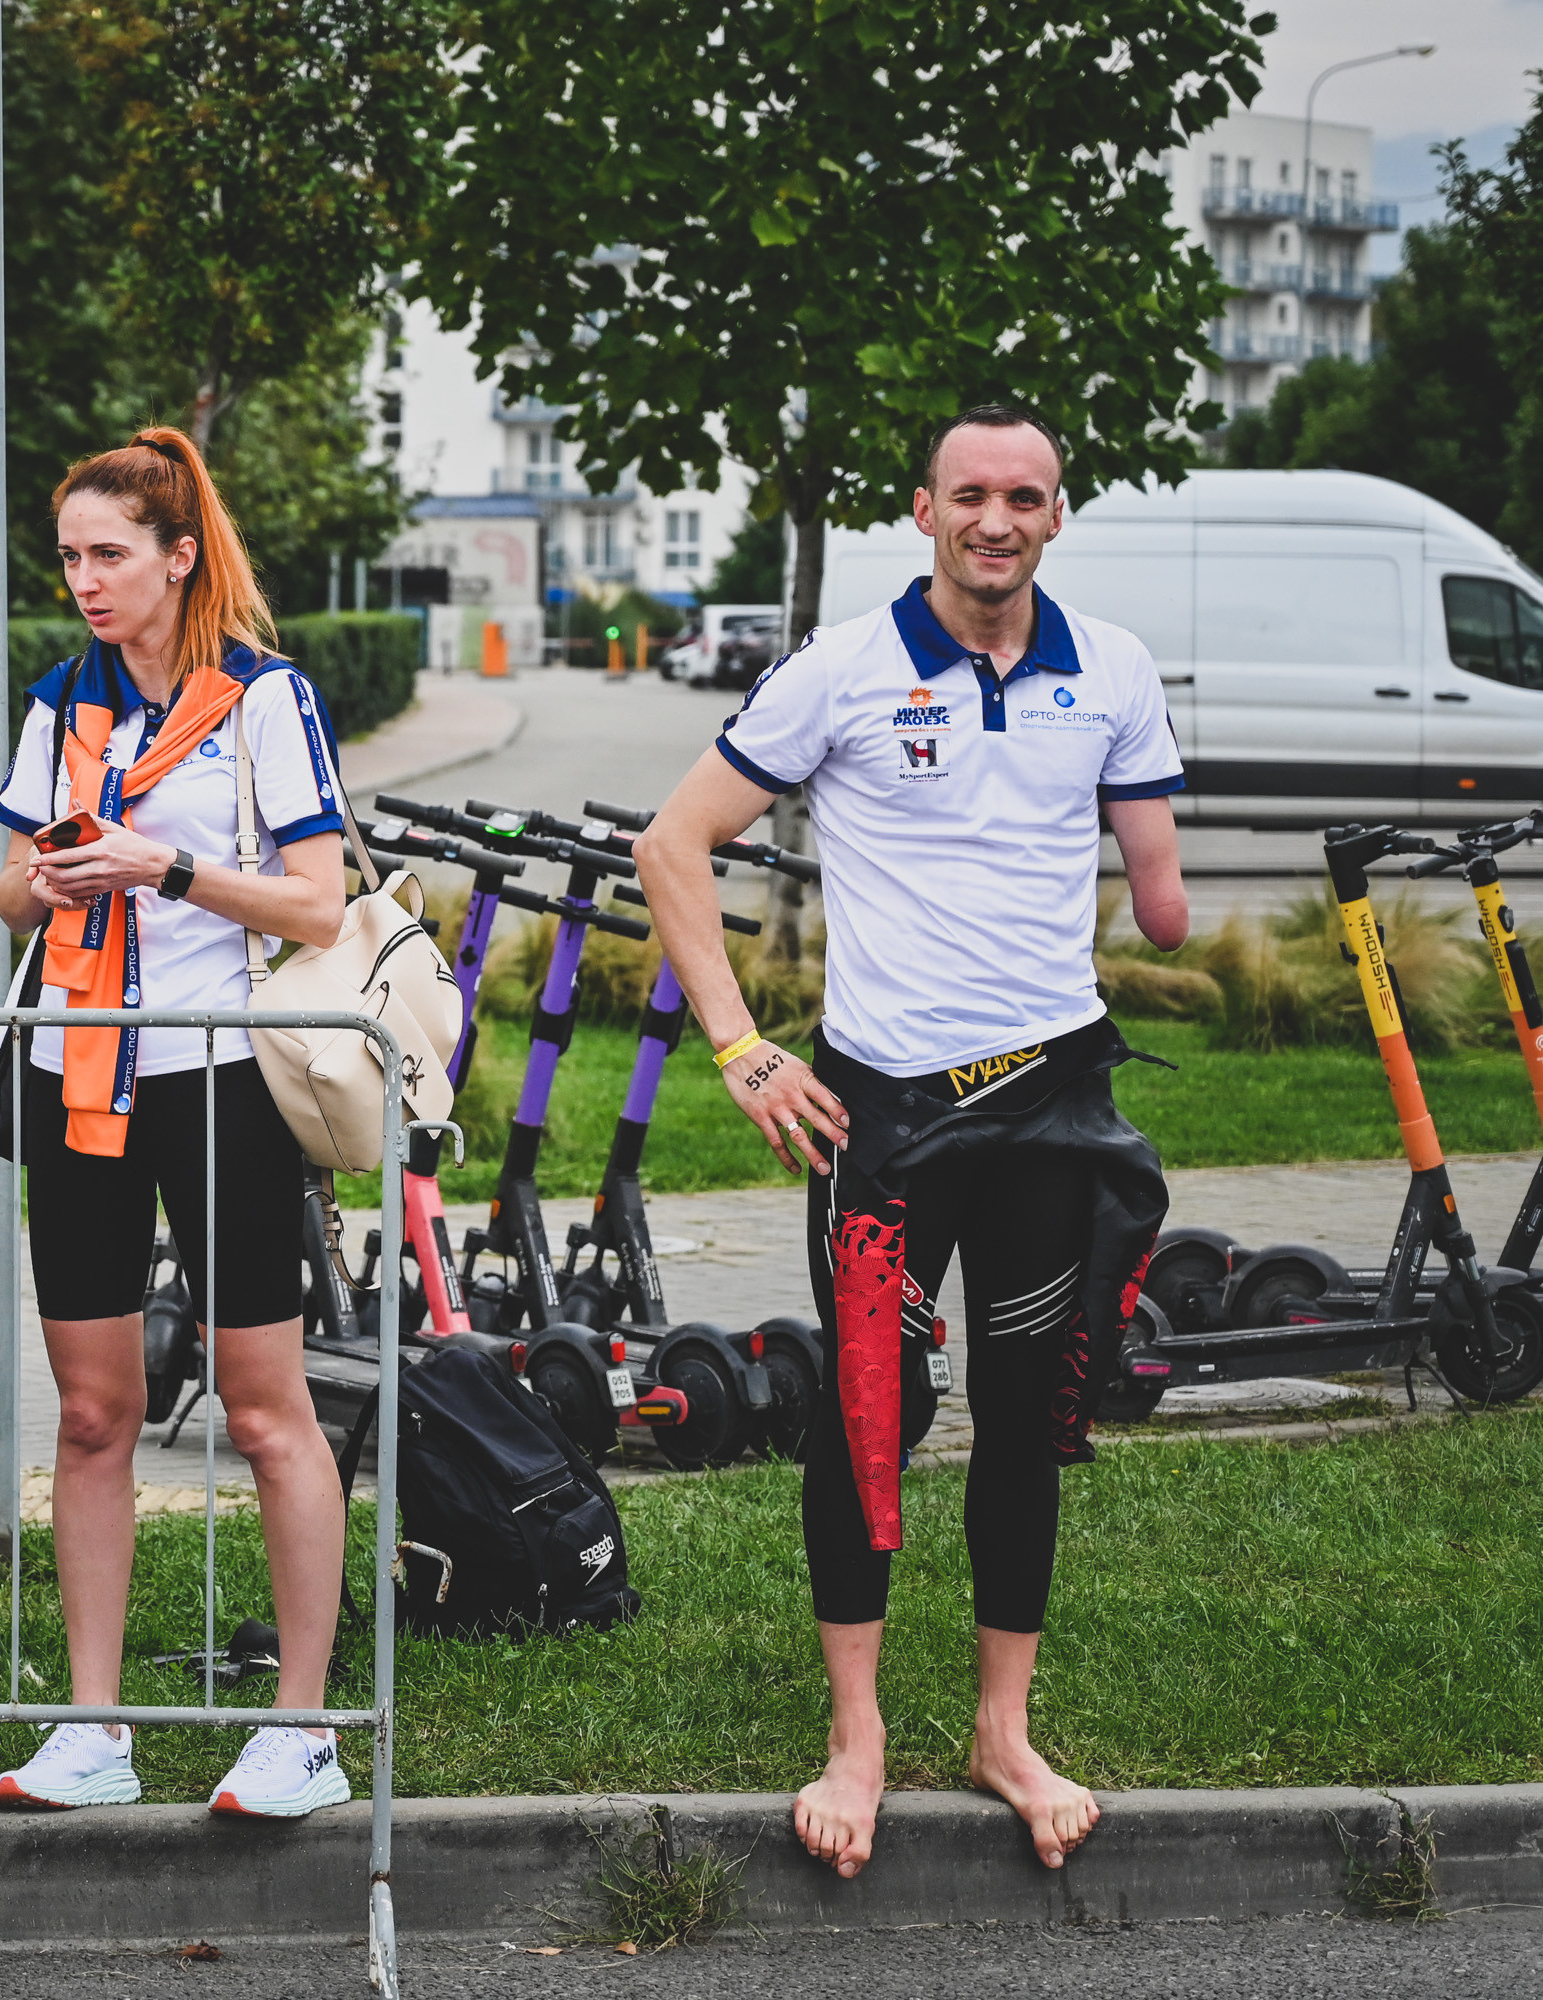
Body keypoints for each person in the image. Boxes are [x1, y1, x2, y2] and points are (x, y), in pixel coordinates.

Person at [634, 405, 1190, 1883]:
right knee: (870, 1415)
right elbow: (668, 843)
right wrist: (744, 1046)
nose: (996, 520)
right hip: (882, 1110)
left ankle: (1005, 1732)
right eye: (970, 497)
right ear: (924, 511)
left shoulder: (1115, 670)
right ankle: (858, 1736)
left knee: (1030, 1414)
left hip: (1053, 1101)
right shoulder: (845, 669)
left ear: (1057, 514)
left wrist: (1165, 893)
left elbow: (1156, 873)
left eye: (1025, 497)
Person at [0, 428, 353, 1819]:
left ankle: (303, 1731)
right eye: (70, 555)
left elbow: (317, 899)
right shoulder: (62, 701)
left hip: (222, 1083)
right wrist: (58, 885)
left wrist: (174, 868)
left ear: (178, 556)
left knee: (264, 1413)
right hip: (79, 1068)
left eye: (109, 554)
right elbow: (11, 888)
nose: (84, 579)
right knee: (91, 1412)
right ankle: (97, 1731)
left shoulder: (264, 697)